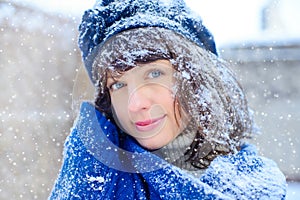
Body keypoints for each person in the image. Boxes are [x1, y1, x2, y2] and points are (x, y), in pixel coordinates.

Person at [49, 0, 287, 199]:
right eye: (118, 84)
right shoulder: (98, 178)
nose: (134, 104)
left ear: (195, 79)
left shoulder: (257, 182)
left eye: (154, 73)